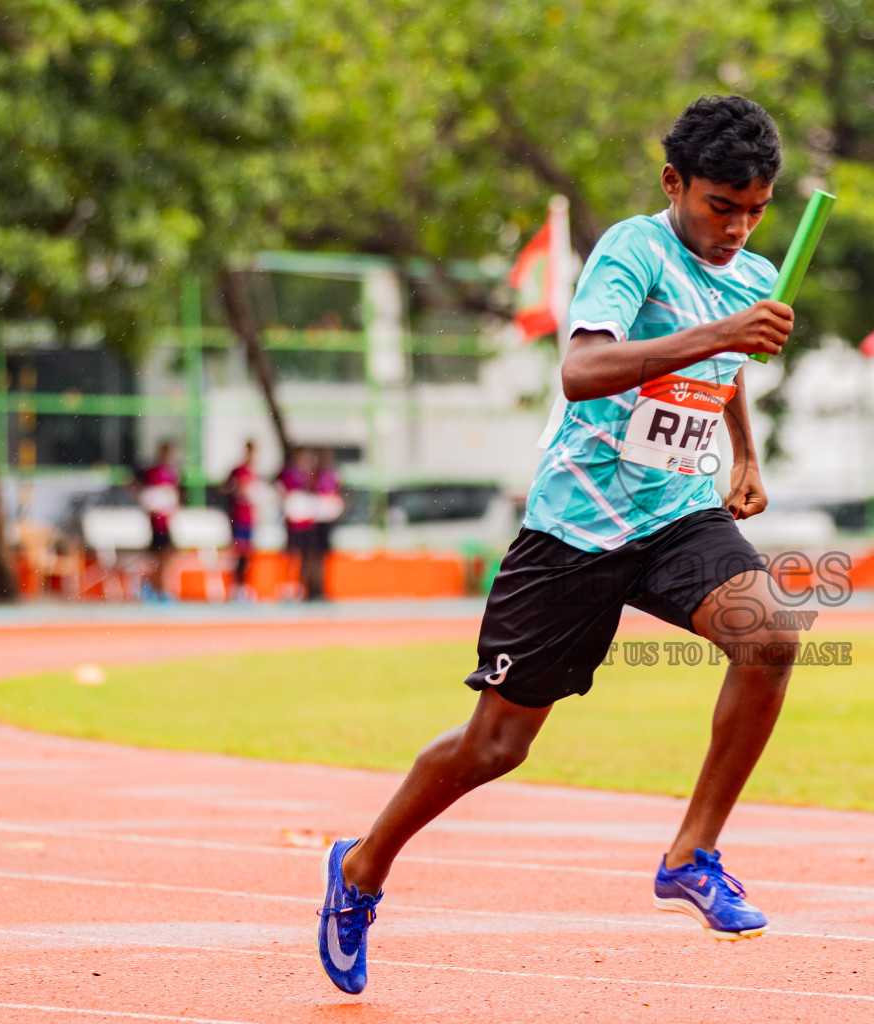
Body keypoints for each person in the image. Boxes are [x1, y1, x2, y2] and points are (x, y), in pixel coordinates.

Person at [318, 95, 800, 994]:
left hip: (679, 516)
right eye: (719, 206)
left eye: (754, 210)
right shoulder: (632, 249)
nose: (737, 228)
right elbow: (581, 372)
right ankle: (359, 866)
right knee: (496, 746)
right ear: (675, 184)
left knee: (771, 634)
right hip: (575, 529)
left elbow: (724, 369)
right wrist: (722, 331)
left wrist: (744, 454)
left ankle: (692, 854)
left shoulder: (754, 272)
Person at [134, 440, 183, 601]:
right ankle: (155, 588)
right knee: (161, 557)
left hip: (167, 521)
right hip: (157, 522)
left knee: (165, 558)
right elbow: (137, 487)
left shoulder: (173, 473)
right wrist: (149, 501)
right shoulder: (152, 472)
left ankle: (155, 587)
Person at [276, 446, 315, 601]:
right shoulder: (288, 473)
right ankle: (287, 585)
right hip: (292, 522)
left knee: (305, 556)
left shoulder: (310, 475)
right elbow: (279, 488)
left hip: (306, 522)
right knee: (291, 554)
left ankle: (300, 585)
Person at [223, 440, 260, 601]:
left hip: (250, 519)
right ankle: (235, 587)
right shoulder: (238, 471)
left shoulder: (256, 472)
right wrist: (237, 489)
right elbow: (226, 488)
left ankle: (244, 586)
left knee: (248, 555)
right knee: (238, 553)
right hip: (238, 518)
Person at [306, 448, 342, 602]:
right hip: (315, 521)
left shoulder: (332, 475)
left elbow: (338, 493)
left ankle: (321, 587)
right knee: (314, 556)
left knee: (322, 557)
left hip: (326, 520)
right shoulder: (314, 475)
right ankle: (312, 588)